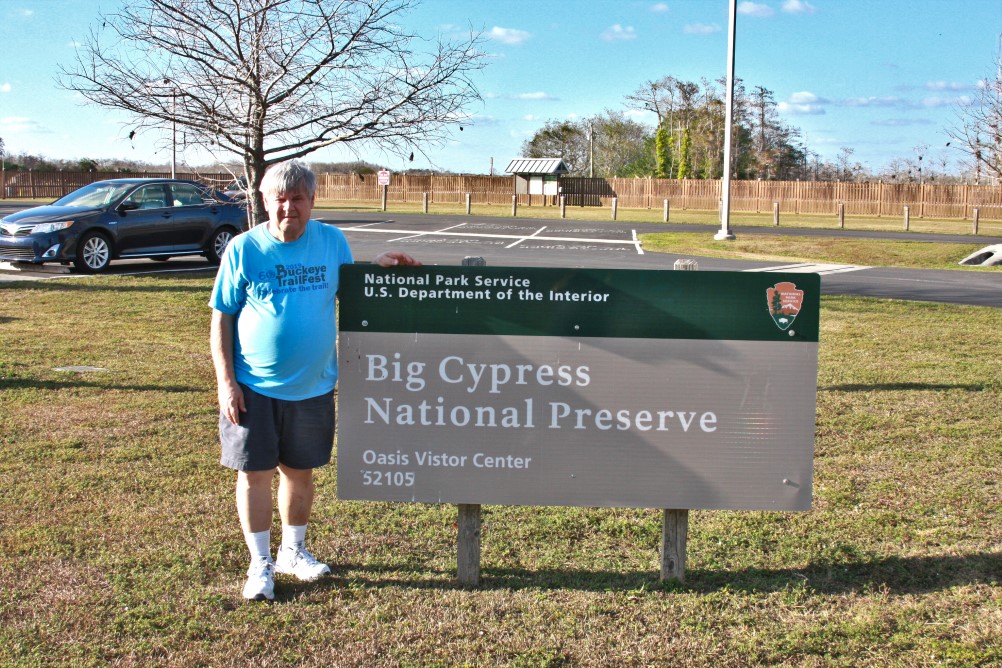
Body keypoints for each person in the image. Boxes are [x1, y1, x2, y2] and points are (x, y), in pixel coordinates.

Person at [209, 160, 420, 601]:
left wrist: (375, 267)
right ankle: (260, 563)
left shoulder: (331, 241)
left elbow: (348, 288)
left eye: (298, 199)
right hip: (253, 388)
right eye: (279, 200)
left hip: (315, 387)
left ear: (312, 201)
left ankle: (294, 551)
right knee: (255, 475)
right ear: (264, 202)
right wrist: (226, 383)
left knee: (299, 473)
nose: (289, 209)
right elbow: (222, 320)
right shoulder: (244, 250)